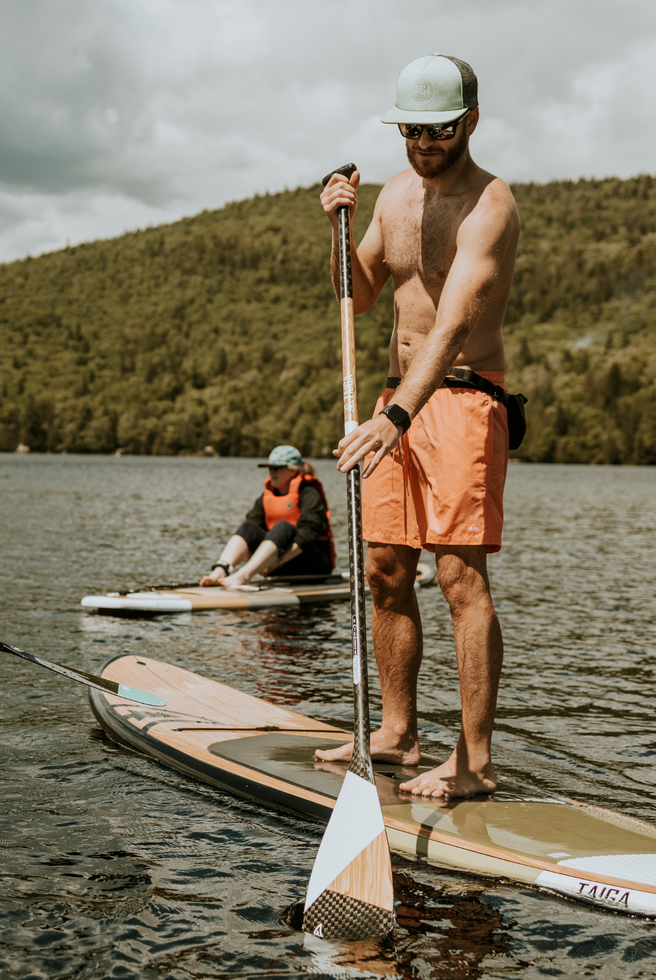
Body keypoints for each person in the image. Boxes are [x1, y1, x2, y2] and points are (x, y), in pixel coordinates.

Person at [316, 54, 520, 798]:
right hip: (395, 403)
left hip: (461, 396)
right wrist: (338, 229)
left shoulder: (490, 204)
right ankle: (397, 733)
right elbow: (359, 292)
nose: (425, 142)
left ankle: (475, 761)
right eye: (412, 130)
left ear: (469, 120)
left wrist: (399, 415)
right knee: (384, 570)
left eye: (438, 129)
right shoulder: (395, 197)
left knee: (460, 577)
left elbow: (457, 321)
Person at [200, 445, 335, 587]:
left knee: (283, 526)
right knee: (248, 527)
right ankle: (220, 570)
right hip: (277, 565)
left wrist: (277, 562)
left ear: (292, 470)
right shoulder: (266, 497)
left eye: (277, 468)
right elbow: (250, 535)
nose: (271, 472)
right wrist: (262, 565)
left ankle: (244, 575)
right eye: (269, 468)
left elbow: (308, 534)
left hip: (313, 567)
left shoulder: (308, 493)